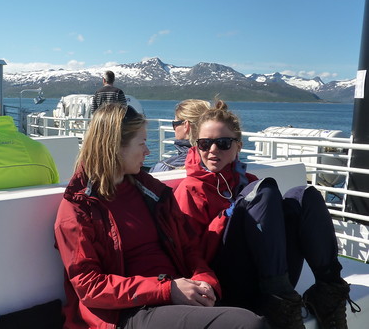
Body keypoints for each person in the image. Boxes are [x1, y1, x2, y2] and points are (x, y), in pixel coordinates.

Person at [54, 103, 269, 329]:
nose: (147, 152)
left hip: (174, 295)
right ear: (115, 147)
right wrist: (167, 290)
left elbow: (189, 248)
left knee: (258, 310)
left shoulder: (153, 193)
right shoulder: (79, 209)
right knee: (248, 324)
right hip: (126, 313)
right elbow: (90, 288)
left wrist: (206, 281)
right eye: (142, 143)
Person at [174, 100, 359, 329]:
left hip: (271, 282)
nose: (213, 150)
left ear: (238, 146)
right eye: (205, 143)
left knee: (304, 195)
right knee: (265, 190)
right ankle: (277, 301)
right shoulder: (190, 190)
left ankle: (329, 290)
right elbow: (189, 253)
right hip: (228, 284)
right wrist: (226, 217)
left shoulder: (248, 183)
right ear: (196, 146)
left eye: (223, 143)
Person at [150, 99, 210, 173]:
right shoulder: (219, 161)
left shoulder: (164, 168)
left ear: (186, 125)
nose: (174, 129)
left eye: (174, 124)